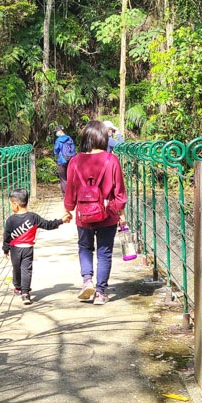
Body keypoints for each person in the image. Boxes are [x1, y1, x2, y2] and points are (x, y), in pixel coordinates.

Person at [64, 121, 127, 305]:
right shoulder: (111, 160)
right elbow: (120, 193)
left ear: (86, 138)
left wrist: (68, 208)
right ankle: (100, 292)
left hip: (84, 214)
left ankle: (87, 281)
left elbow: (70, 190)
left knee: (85, 247)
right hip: (108, 214)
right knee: (104, 252)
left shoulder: (75, 161)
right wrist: (120, 211)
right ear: (103, 137)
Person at [3, 188, 72, 305]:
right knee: (27, 270)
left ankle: (19, 287)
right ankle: (25, 294)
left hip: (15, 249)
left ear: (16, 204)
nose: (11, 206)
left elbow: (7, 236)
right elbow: (48, 225)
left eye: (11, 204)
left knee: (17, 268)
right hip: (28, 249)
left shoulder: (10, 220)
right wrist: (61, 221)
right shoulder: (33, 217)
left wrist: (5, 249)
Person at [53, 125, 76, 194]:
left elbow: (56, 150)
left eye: (56, 131)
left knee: (63, 178)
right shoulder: (69, 139)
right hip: (71, 160)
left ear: (59, 131)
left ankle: (65, 194)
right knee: (70, 176)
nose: (56, 133)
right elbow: (73, 149)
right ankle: (72, 192)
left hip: (62, 160)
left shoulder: (58, 140)